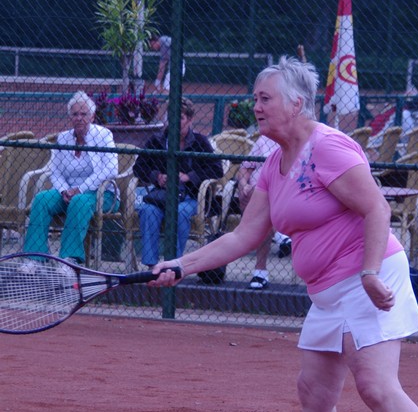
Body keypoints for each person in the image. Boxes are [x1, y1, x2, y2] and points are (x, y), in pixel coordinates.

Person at [150, 56, 418, 412]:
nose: (255, 106)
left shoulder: (329, 148)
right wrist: (180, 264)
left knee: (375, 385)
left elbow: (376, 208)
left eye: (265, 98)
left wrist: (368, 272)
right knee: (315, 394)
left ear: (297, 103)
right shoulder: (274, 164)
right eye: (255, 98)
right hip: (327, 292)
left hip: (369, 277)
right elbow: (244, 236)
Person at [23, 91, 118, 264]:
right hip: (68, 193)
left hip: (101, 193)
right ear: (70, 117)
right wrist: (64, 190)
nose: (79, 118)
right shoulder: (63, 138)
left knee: (79, 201)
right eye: (75, 114)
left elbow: (111, 169)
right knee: (41, 199)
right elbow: (56, 171)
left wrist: (80, 189)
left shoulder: (104, 135)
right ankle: (35, 258)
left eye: (84, 114)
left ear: (92, 116)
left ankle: (69, 260)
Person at [133, 97, 223, 268]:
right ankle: (152, 266)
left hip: (191, 196)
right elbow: (139, 167)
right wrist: (157, 177)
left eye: (180, 118)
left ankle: (174, 265)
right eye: (171, 116)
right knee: (148, 211)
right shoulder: (157, 140)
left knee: (180, 212)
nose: (175, 122)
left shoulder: (200, 142)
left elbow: (217, 170)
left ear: (190, 119)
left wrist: (189, 177)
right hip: (162, 196)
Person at [236, 133, 291, 289]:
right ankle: (280, 236)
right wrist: (243, 184)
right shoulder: (264, 140)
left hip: (285, 194)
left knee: (263, 209)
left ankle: (260, 273)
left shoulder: (299, 142)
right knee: (257, 196)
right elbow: (245, 169)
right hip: (257, 193)